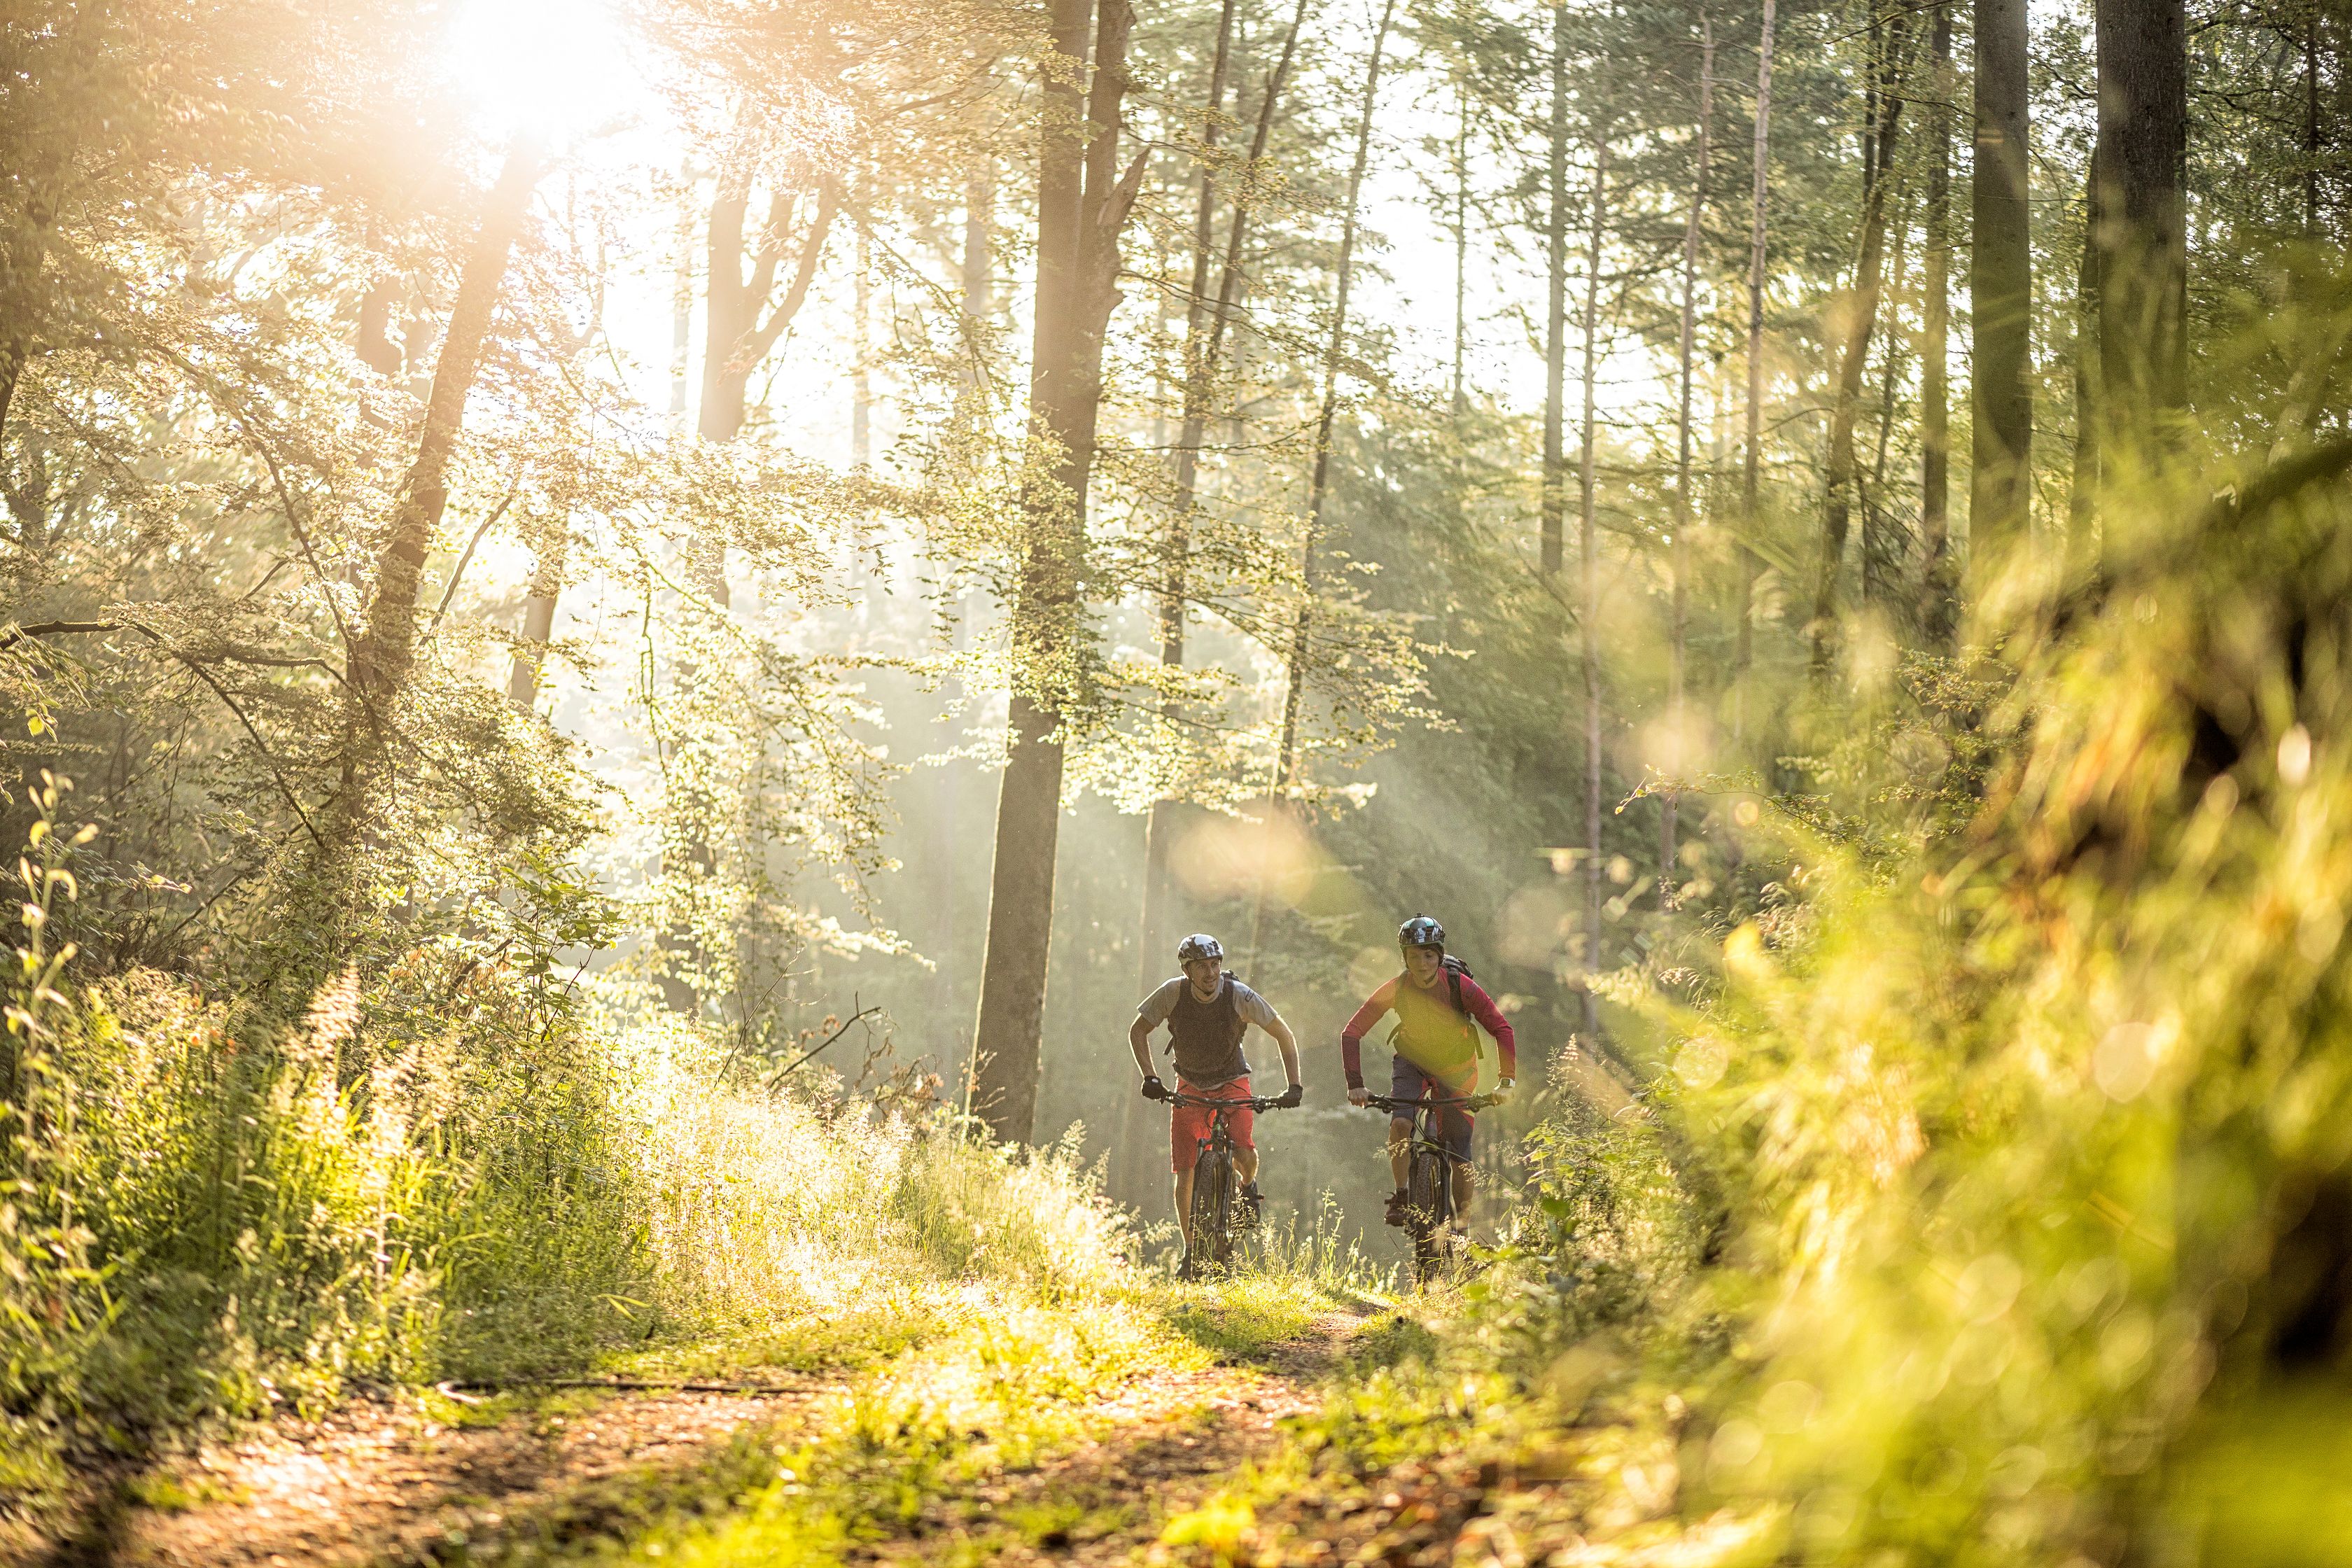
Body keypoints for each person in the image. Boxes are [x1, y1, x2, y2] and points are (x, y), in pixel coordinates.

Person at [1130, 933, 1303, 1263]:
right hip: (1190, 1084)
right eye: (1201, 966)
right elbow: (1138, 1030)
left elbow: (1284, 1033)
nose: (1210, 973)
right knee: (1185, 1170)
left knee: (1243, 1151)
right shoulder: (1172, 993)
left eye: (1215, 964)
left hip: (1232, 1080)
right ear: (1187, 970)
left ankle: (1247, 1187)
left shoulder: (1239, 995)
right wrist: (1150, 1076)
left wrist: (1294, 1085)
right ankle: (1191, 1250)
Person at [1342, 915, 1516, 1228]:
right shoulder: (1396, 989)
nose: (1422, 964)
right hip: (1412, 1063)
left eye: (1429, 956)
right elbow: (1352, 1031)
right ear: (1405, 959)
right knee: (1400, 1124)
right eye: (1413, 957)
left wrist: (1506, 1081)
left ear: (1439, 956)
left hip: (1458, 1069)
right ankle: (1401, 1195)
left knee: (1460, 1151)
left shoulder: (1460, 986)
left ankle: (1461, 1225)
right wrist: (1355, 1084)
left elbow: (1501, 1028)